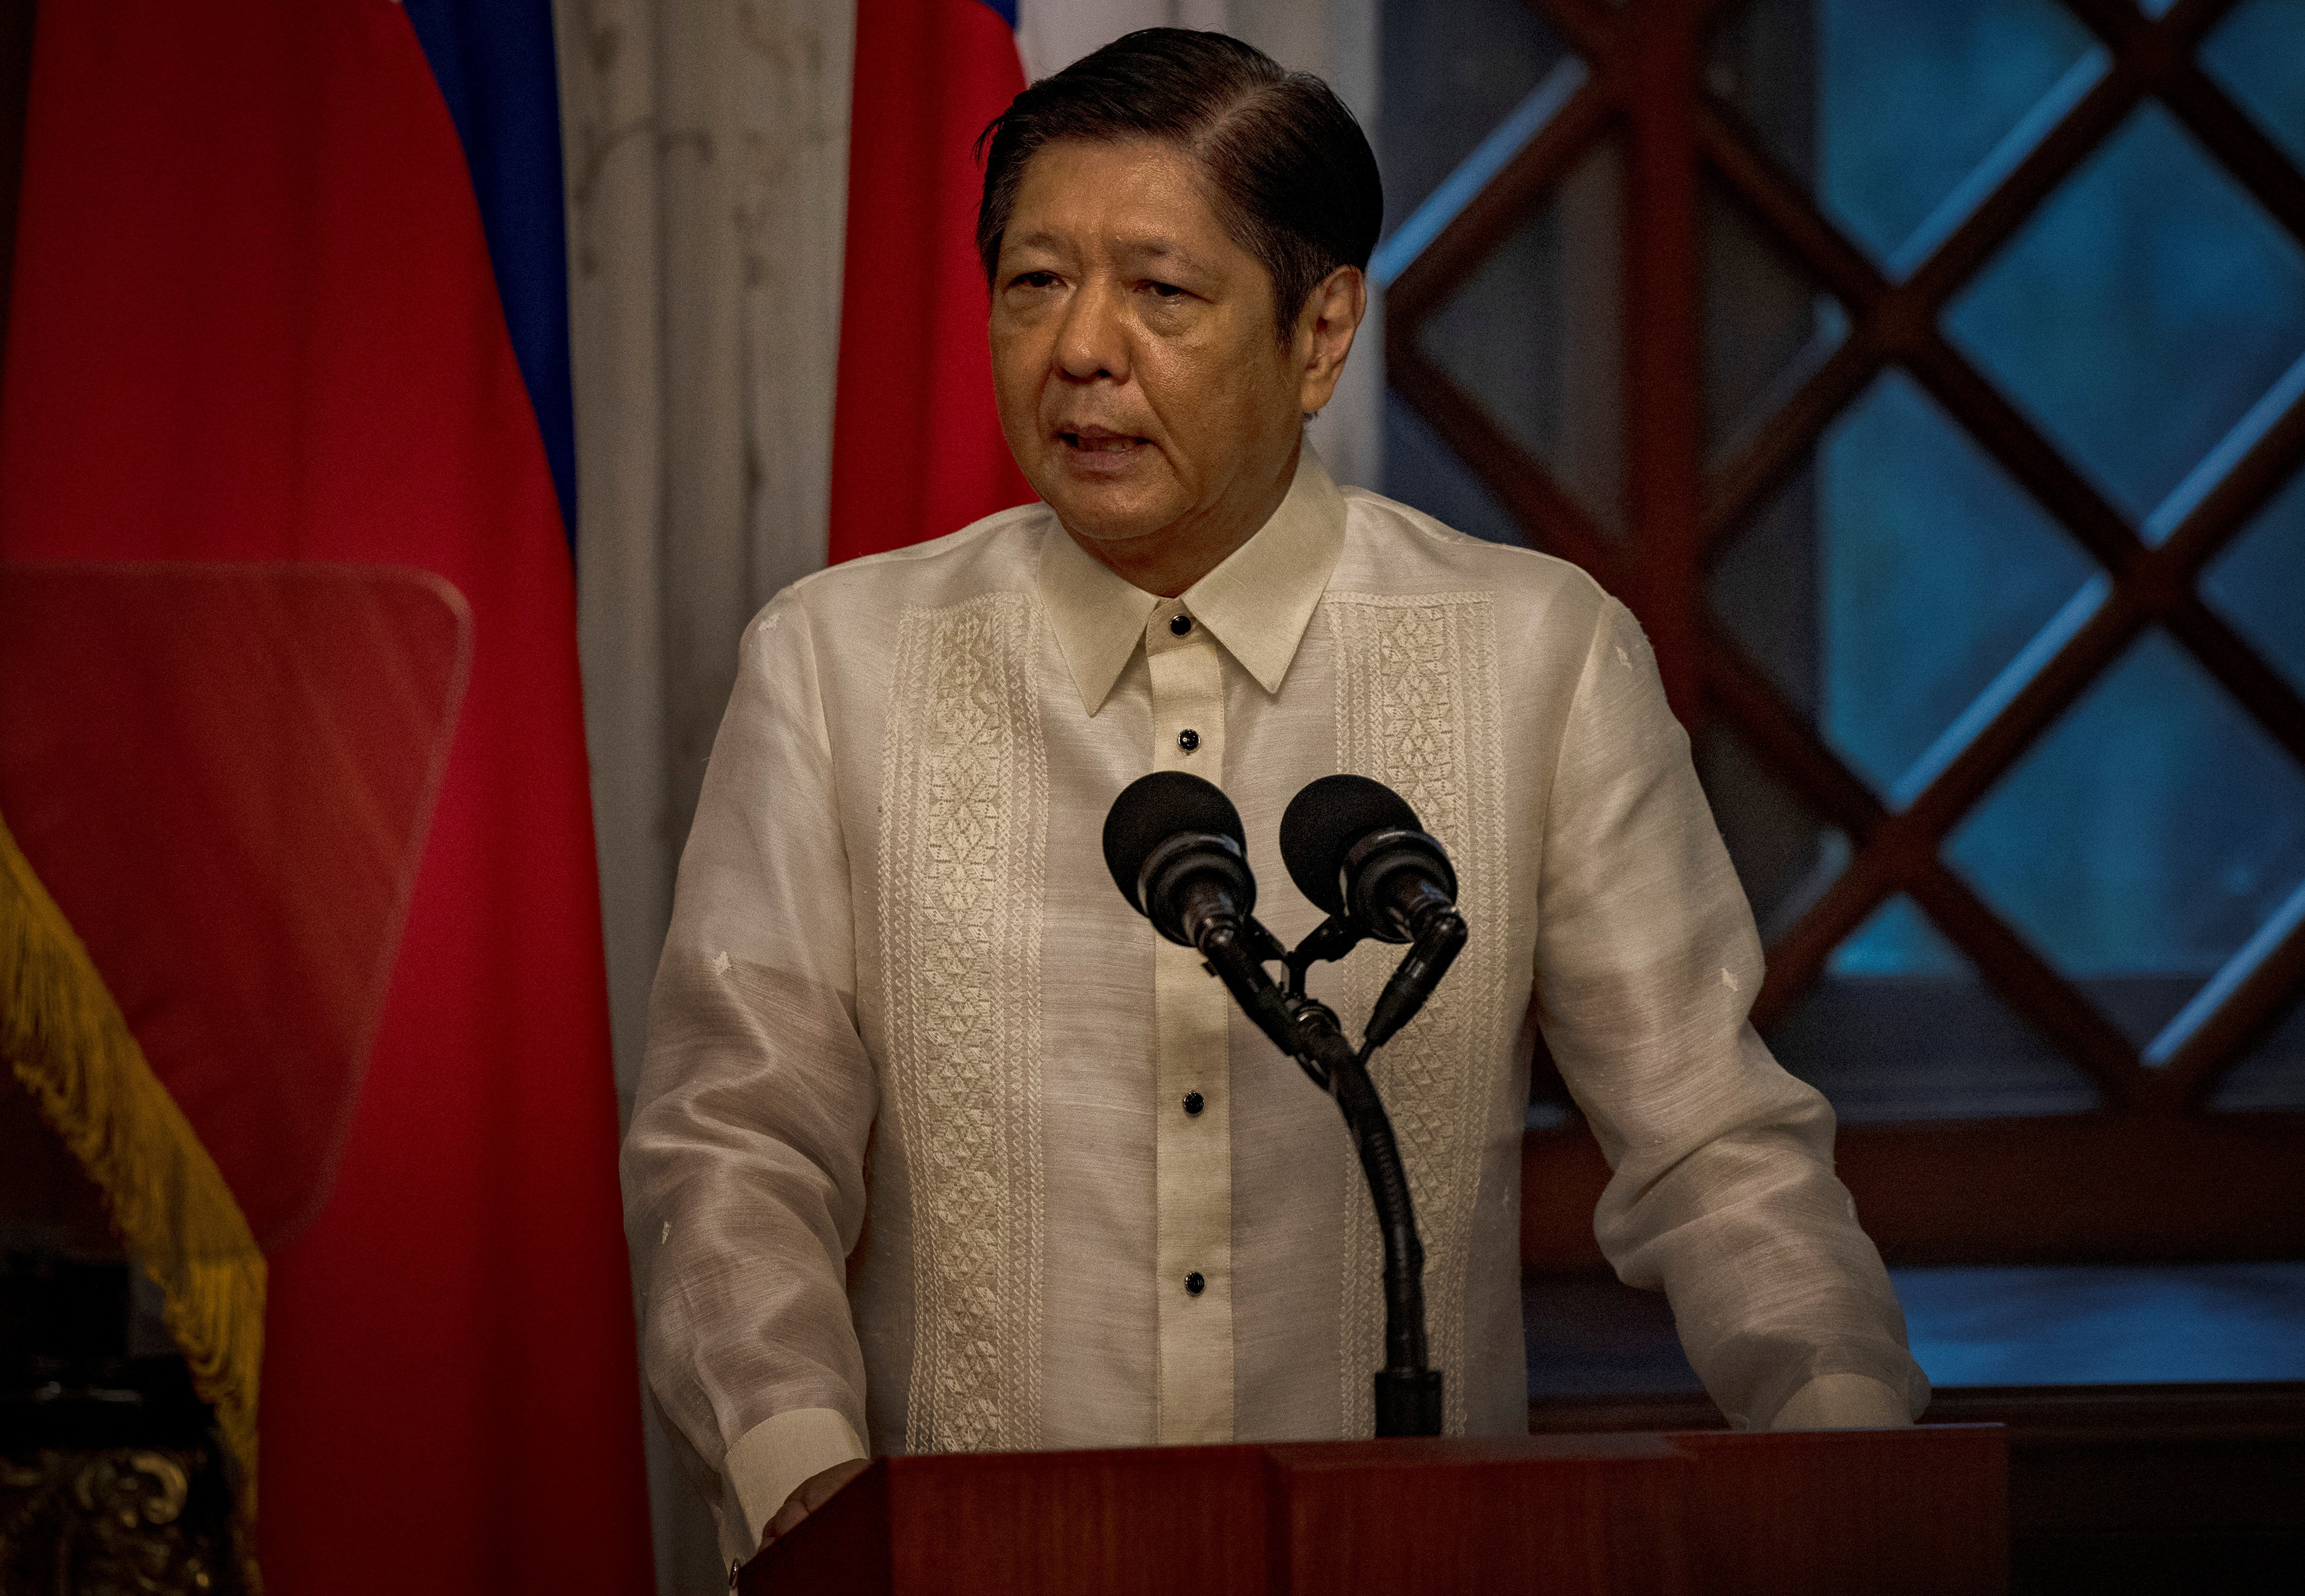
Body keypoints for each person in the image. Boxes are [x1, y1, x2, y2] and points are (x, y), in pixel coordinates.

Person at [622, 27, 1927, 1571]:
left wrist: (1854, 1469)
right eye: (1035, 282)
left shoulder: (1535, 657)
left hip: (1411, 1564)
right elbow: (734, 1148)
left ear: (1320, 336)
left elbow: (1712, 1145)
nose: (1081, 349)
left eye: (1159, 292)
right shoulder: (839, 668)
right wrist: (803, 1491)